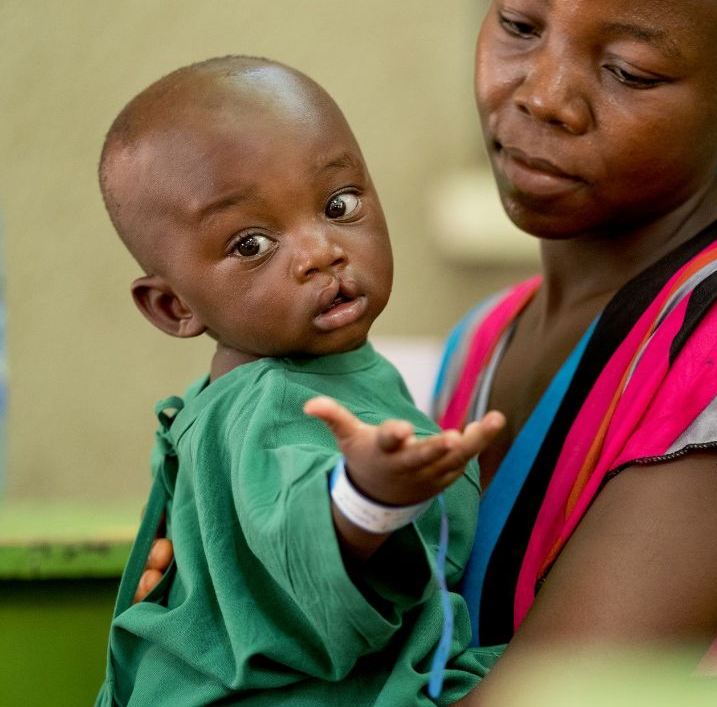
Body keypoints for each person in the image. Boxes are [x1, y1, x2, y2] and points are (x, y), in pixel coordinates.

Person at [138, 0, 717, 696]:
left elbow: (563, 693)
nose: (546, 97)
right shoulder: (483, 341)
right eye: (521, 25)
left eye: (629, 70)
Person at [95, 56, 504, 706]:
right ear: (174, 306)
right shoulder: (273, 404)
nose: (320, 252)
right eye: (251, 245)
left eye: (339, 205)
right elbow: (294, 530)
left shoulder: (243, 392)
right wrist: (364, 499)